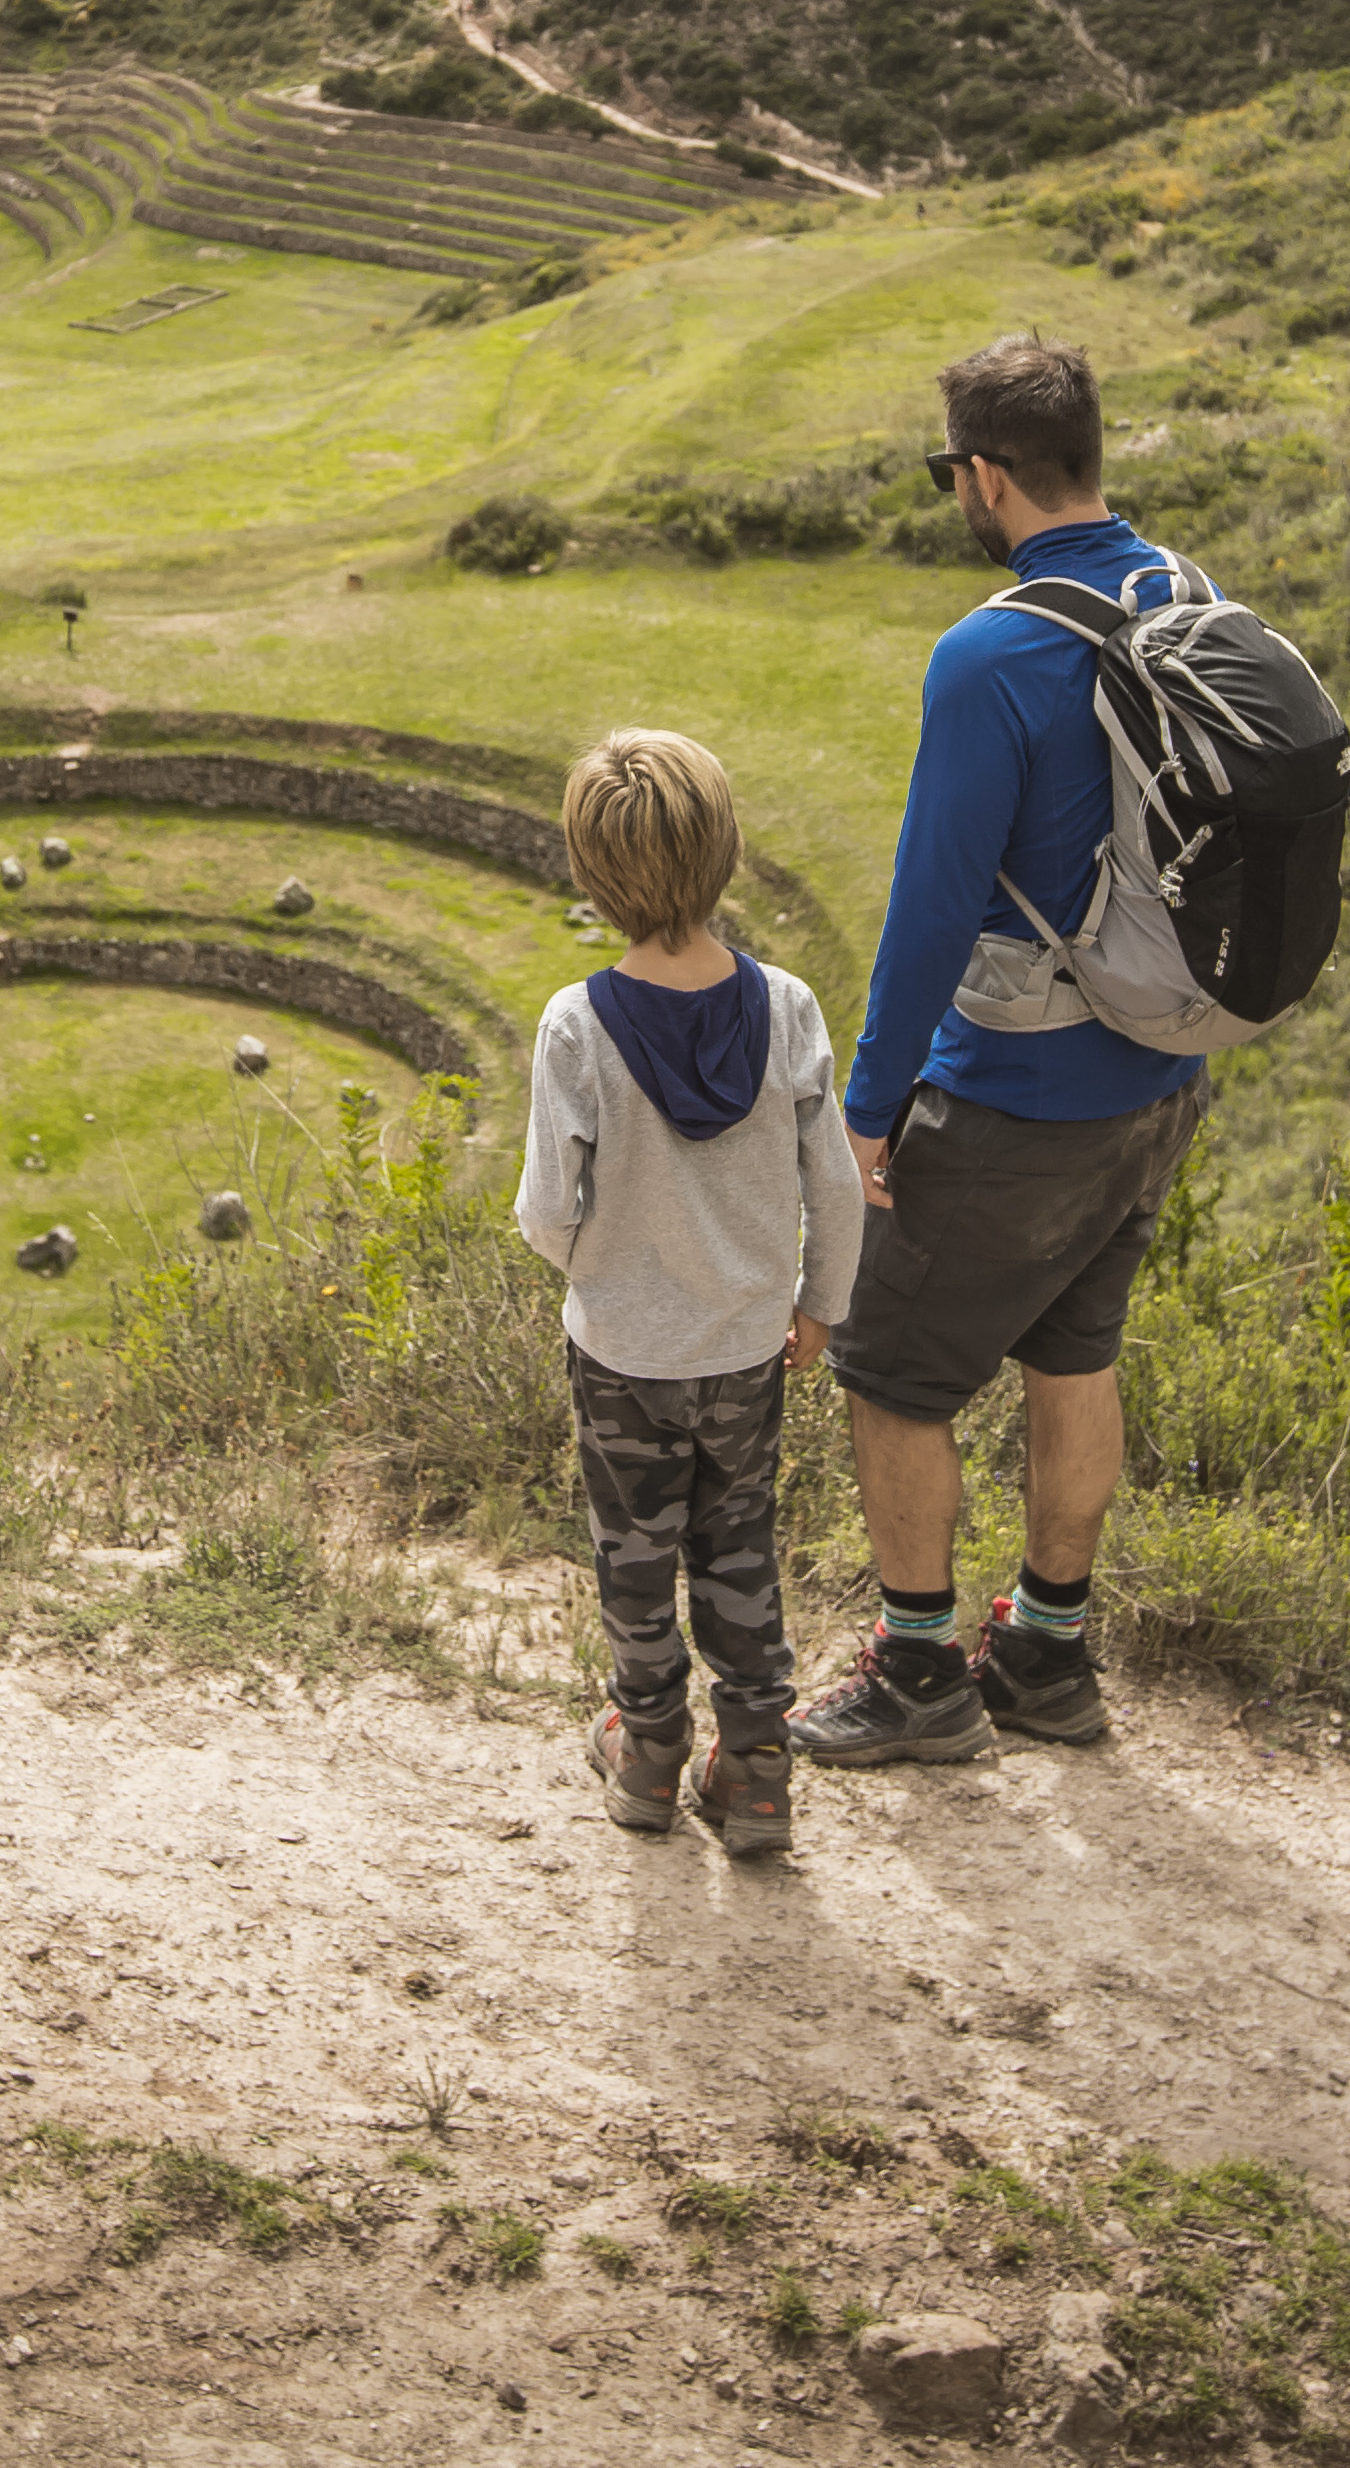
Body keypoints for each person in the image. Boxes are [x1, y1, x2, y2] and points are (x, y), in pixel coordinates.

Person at [793, 336, 1208, 1767]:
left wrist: (870, 1103)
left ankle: (919, 1678)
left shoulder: (994, 650)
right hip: (1161, 1074)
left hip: (1021, 1092)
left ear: (983, 475)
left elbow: (934, 897)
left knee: (890, 1376)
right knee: (1071, 1351)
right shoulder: (1188, 597)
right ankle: (1046, 1653)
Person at [512, 728, 866, 1858]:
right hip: (748, 1348)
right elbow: (838, 1186)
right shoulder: (792, 1007)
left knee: (635, 1550)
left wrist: (606, 1278)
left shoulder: (578, 1024)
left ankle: (651, 1755)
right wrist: (819, 1305)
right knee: (739, 1544)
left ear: (592, 873)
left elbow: (544, 1210)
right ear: (726, 852)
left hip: (622, 1353)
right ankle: (757, 1770)